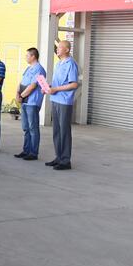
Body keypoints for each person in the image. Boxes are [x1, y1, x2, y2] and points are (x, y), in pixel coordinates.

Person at [44, 40, 80, 171]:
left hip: (64, 101)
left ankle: (65, 161)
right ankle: (58, 157)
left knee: (64, 131)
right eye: (57, 47)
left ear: (67, 50)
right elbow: (57, 83)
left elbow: (74, 84)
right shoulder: (58, 64)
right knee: (57, 131)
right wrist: (48, 88)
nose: (57, 49)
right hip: (55, 99)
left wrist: (56, 89)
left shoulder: (71, 64)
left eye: (60, 47)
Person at [14, 48, 46, 161]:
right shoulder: (28, 68)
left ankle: (33, 152)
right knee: (26, 127)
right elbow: (22, 82)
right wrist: (17, 93)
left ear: (33, 56)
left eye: (27, 55)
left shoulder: (39, 69)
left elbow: (33, 86)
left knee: (33, 128)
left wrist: (21, 96)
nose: (25, 57)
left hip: (32, 102)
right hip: (24, 101)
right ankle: (26, 150)